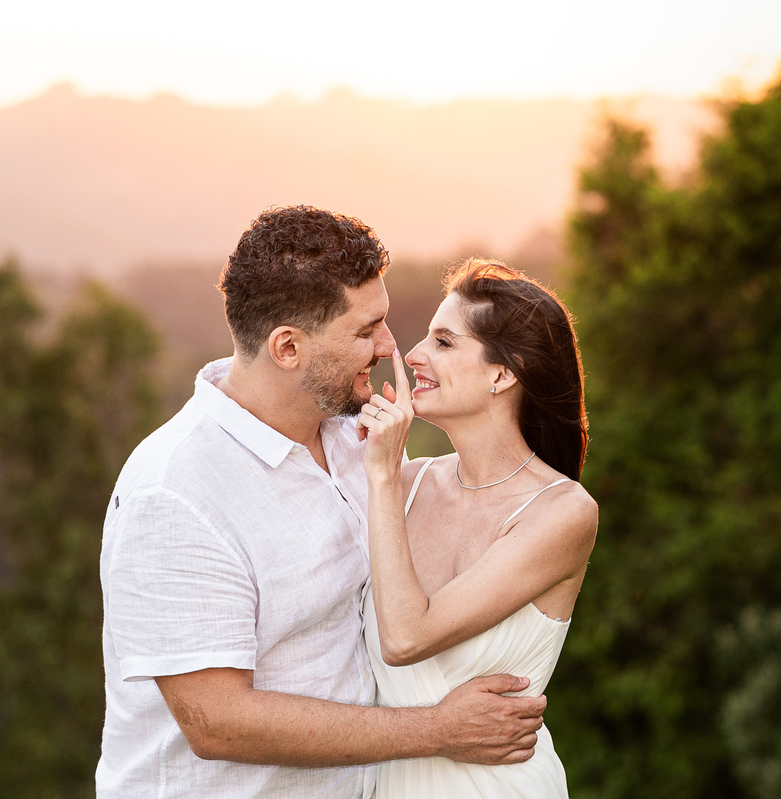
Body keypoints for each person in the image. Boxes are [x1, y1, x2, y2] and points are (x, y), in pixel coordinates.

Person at [97, 207, 545, 799]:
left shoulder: (356, 441)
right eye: (366, 331)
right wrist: (437, 731)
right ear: (287, 347)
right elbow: (218, 723)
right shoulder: (176, 491)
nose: (390, 347)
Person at [355, 258, 599, 797]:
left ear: (502, 373)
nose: (412, 355)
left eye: (443, 342)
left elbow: (404, 638)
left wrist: (380, 475)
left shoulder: (562, 512)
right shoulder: (407, 484)